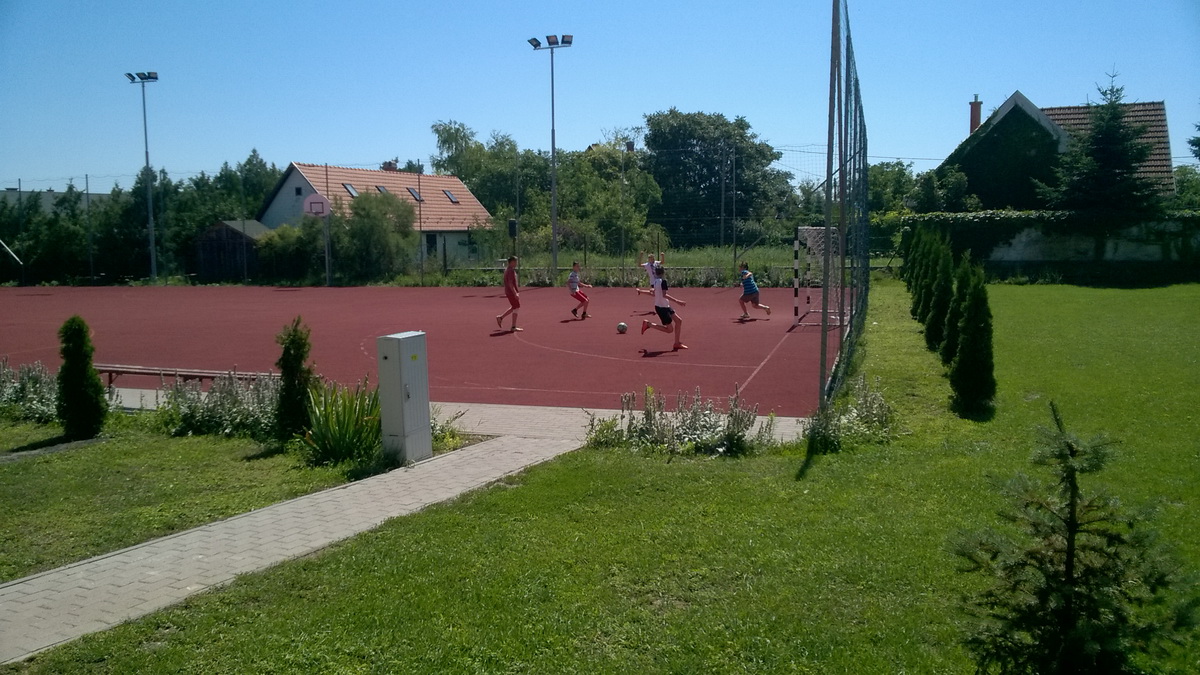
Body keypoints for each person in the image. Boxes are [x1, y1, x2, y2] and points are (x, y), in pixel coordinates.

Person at [641, 262, 687, 350]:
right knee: (669, 330)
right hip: (661, 308)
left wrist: (642, 292)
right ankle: (649, 324)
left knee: (678, 321)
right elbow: (664, 295)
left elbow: (654, 294)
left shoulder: (655, 282)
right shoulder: (663, 281)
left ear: (655, 273)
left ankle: (677, 343)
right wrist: (677, 301)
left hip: (665, 306)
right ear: (663, 272)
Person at [495, 256, 522, 332]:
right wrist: (515, 293)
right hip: (511, 292)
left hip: (509, 291)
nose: (516, 263)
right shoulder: (510, 271)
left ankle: (500, 318)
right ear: (512, 262)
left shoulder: (508, 270)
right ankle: (513, 326)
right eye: (515, 262)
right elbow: (510, 283)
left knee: (515, 306)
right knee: (516, 307)